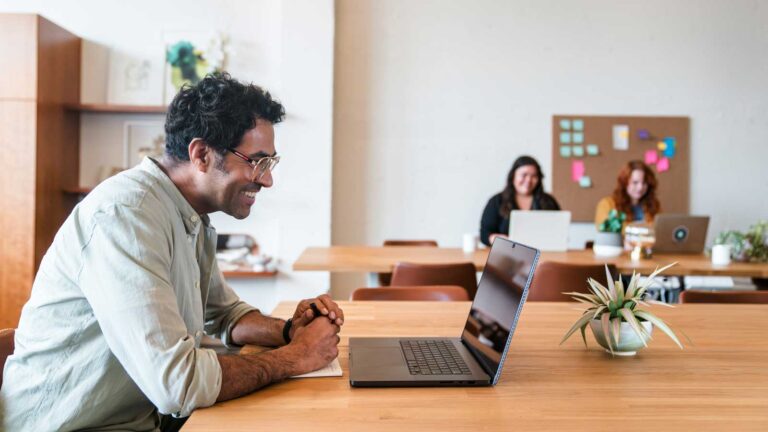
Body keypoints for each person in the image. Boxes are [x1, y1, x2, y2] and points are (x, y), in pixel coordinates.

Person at [1, 73, 344, 431]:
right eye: (256, 162)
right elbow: (178, 384)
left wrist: (289, 331)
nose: (267, 179)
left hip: (141, 420)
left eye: (269, 163)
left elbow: (224, 315)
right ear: (201, 155)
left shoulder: (189, 215)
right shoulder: (126, 216)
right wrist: (294, 358)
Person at [480, 156, 560, 246]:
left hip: (544, 251)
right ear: (513, 176)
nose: (528, 180)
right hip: (507, 252)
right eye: (524, 175)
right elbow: (484, 234)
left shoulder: (549, 201)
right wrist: (495, 238)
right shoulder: (497, 201)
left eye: (534, 176)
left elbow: (559, 231)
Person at [594, 160, 661, 232]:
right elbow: (606, 232)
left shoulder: (654, 206)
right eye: (635, 182)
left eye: (644, 183)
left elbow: (659, 231)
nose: (640, 187)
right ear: (624, 183)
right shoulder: (606, 204)